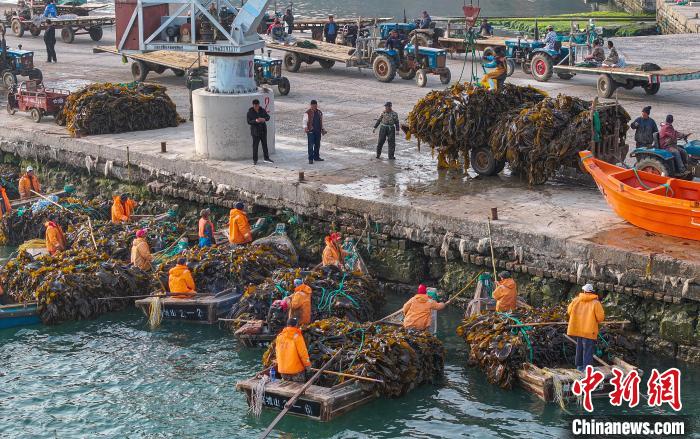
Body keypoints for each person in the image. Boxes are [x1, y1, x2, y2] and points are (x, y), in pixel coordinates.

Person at [567, 284, 605, 372]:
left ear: (584, 291)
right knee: (587, 351)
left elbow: (569, 311)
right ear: (592, 292)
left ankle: (579, 368)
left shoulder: (576, 300)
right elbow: (600, 318)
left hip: (578, 330)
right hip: (589, 331)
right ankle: (586, 370)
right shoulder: (596, 303)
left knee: (579, 348)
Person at [275, 317, 311, 382]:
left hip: (282, 370)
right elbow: (303, 353)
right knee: (298, 388)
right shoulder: (297, 336)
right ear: (296, 325)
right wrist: (307, 365)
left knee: (286, 388)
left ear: (287, 325)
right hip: (296, 370)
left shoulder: (279, 336)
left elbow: (277, 352)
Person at [247, 99, 272, 165]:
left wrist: (264, 119)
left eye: (257, 105)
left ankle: (266, 158)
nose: (256, 107)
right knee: (255, 146)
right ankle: (255, 160)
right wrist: (255, 121)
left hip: (263, 130)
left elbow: (268, 117)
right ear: (253, 105)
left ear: (259, 104)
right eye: (255, 106)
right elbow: (248, 121)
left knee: (265, 145)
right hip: (255, 132)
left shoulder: (262, 110)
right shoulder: (250, 112)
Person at [303, 100, 327, 164]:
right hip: (310, 131)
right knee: (310, 145)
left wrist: (322, 129)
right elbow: (304, 121)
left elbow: (321, 122)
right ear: (311, 105)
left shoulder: (319, 112)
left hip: (318, 131)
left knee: (317, 144)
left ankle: (316, 157)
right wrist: (305, 127)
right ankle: (310, 159)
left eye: (315, 105)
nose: (314, 107)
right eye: (313, 105)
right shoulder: (307, 113)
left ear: (316, 105)